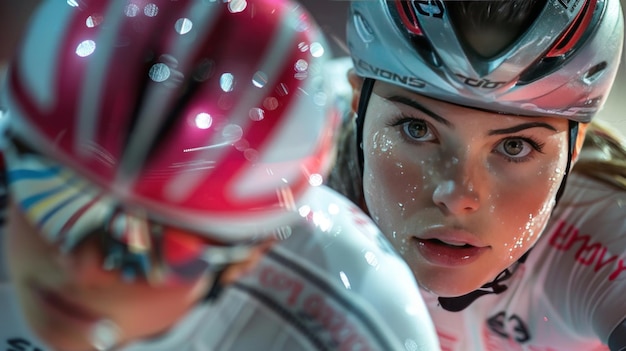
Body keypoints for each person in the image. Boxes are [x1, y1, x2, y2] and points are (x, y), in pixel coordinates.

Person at [0, 0, 441, 350]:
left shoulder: (354, 324)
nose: (82, 268)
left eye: (149, 243)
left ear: (250, 255)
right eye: (53, 197)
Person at [327, 0, 626, 350]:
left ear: (573, 151)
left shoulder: (604, 227)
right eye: (417, 128)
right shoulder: (284, 155)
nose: (457, 196)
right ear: (356, 102)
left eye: (515, 146)